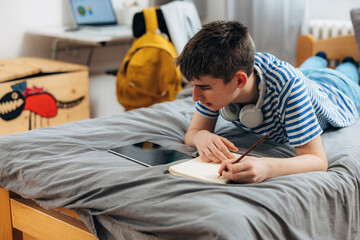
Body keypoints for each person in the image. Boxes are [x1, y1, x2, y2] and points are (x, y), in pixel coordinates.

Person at [175, 20, 360, 183]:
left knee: (346, 70)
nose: (195, 97)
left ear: (240, 80)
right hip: (303, 75)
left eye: (204, 88)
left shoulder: (288, 88)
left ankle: (349, 62)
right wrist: (201, 136)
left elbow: (317, 160)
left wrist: (267, 167)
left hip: (338, 89)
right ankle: (318, 58)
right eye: (193, 86)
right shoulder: (224, 70)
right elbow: (194, 132)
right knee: (308, 66)